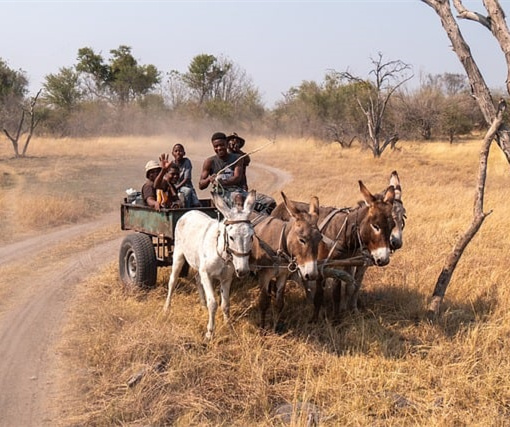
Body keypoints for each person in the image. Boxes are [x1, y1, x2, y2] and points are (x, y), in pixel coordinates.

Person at [199, 131, 246, 206]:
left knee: (267, 202)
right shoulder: (209, 161)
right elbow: (201, 185)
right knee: (235, 199)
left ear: (227, 144)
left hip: (236, 190)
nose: (219, 148)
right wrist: (209, 179)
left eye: (222, 145)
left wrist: (221, 182)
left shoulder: (238, 158)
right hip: (220, 193)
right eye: (216, 146)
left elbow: (237, 178)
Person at [170, 143, 201, 208]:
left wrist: (177, 187)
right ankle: (183, 209)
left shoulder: (186, 162)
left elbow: (187, 178)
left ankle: (187, 208)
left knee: (195, 202)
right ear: (172, 153)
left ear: (184, 153)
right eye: (176, 151)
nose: (178, 153)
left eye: (180, 151)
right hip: (174, 186)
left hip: (185, 186)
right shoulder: (171, 164)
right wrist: (173, 188)